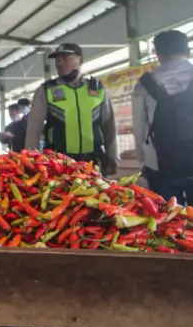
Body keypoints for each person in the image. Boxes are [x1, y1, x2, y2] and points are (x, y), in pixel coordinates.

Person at [25, 43, 119, 175]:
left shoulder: (97, 89)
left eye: (64, 58)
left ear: (80, 60)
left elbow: (109, 125)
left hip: (93, 161)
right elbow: (33, 128)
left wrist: (113, 156)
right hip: (58, 162)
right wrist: (30, 160)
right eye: (57, 60)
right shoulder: (46, 90)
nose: (59, 63)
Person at [132, 30, 193, 204]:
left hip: (161, 164)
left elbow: (139, 127)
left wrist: (143, 158)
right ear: (188, 52)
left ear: (158, 54)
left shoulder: (145, 84)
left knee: (169, 219)